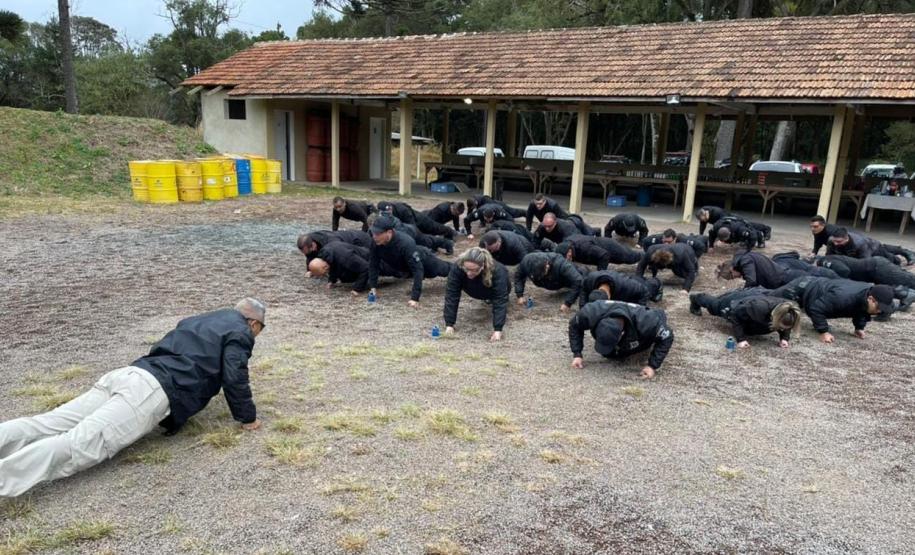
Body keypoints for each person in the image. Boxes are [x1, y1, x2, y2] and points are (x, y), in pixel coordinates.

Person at [0, 298, 266, 497]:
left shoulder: (201, 318)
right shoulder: (241, 331)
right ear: (253, 322)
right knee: (76, 444)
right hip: (149, 390)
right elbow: (235, 375)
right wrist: (248, 418)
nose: (256, 335)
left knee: (46, 423)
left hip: (128, 373)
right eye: (259, 330)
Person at [768, 277, 896, 343]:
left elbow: (861, 310)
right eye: (879, 308)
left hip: (820, 289)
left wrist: (859, 327)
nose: (879, 312)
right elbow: (816, 309)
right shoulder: (843, 297)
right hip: (803, 288)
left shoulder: (866, 295)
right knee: (769, 301)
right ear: (871, 299)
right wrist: (823, 331)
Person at [568, 300, 674, 379]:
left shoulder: (647, 323)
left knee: (658, 321)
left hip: (648, 316)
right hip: (619, 309)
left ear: (621, 334)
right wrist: (577, 354)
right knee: (610, 355)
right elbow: (574, 325)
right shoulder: (590, 313)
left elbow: (667, 336)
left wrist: (652, 366)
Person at [368, 215, 453, 307]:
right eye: (373, 233)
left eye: (378, 234)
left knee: (445, 270)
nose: (374, 236)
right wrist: (373, 287)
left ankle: (460, 270)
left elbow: (418, 269)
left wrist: (414, 298)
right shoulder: (376, 242)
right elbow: (373, 264)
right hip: (405, 266)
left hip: (424, 260)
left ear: (389, 232)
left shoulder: (405, 242)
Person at [443, 247, 511, 341]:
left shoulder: (498, 271)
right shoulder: (458, 266)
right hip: (472, 289)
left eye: (474, 270)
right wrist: (449, 324)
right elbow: (452, 294)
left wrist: (498, 330)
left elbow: (500, 299)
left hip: (491, 290)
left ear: (482, 266)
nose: (469, 273)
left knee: (496, 300)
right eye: (466, 269)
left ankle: (488, 299)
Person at [698, 293, 802, 349]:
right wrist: (741, 339)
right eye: (780, 327)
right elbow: (735, 316)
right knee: (714, 306)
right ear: (776, 317)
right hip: (736, 305)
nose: (781, 329)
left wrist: (784, 338)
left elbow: (787, 324)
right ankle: (696, 298)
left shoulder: (789, 311)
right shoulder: (758, 308)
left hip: (757, 300)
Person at [814, 255, 915, 309]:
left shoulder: (824, 261)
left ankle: (907, 294)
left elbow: (844, 270)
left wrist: (843, 282)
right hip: (872, 270)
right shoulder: (828, 260)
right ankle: (906, 294)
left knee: (909, 280)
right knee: (882, 289)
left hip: (877, 267)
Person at [513, 251, 585, 312]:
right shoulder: (526, 262)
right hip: (553, 283)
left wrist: (568, 303)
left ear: (547, 266)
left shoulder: (561, 264)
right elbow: (518, 276)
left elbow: (578, 281)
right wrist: (520, 295)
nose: (540, 277)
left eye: (542, 274)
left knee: (584, 282)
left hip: (572, 277)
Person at [580, 270, 663, 308]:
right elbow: (584, 288)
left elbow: (644, 292)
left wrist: (638, 310)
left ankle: (657, 282)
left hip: (633, 284)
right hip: (618, 278)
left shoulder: (628, 286)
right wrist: (583, 308)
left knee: (648, 288)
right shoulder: (590, 280)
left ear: (609, 298)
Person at [826, 227, 908, 265]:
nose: (835, 244)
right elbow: (829, 255)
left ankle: (897, 258)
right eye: (834, 241)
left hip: (874, 248)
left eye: (838, 241)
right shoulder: (831, 240)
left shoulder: (859, 243)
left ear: (846, 238)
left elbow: (866, 262)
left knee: (888, 260)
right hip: (854, 251)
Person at [377, 200, 455, 240]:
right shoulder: (382, 214)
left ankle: (450, 232)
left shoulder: (402, 210)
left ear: (391, 207)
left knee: (435, 229)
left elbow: (412, 227)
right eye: (386, 211)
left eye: (390, 210)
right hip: (410, 222)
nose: (389, 212)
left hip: (420, 220)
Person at [297, 230, 373, 266]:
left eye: (309, 250)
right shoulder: (307, 243)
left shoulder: (330, 241)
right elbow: (309, 255)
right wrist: (310, 269)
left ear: (313, 245)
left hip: (360, 240)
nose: (307, 254)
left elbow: (339, 257)